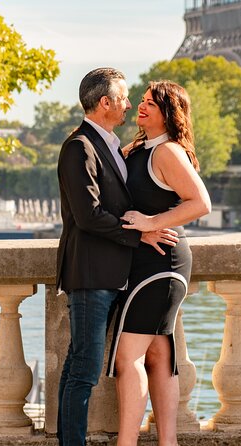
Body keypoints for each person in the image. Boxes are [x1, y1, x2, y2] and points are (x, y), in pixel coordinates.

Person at [55, 68, 179, 446]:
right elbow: (87, 215)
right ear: (105, 103)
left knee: (79, 366)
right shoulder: (80, 147)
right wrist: (141, 231)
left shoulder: (111, 145)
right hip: (92, 275)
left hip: (113, 275)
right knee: (85, 370)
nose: (129, 105)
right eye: (124, 98)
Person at [106, 80, 211, 446]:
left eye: (152, 103)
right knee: (157, 353)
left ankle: (127, 443)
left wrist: (152, 224)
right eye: (144, 101)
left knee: (127, 355)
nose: (142, 106)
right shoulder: (137, 148)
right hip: (146, 261)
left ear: (170, 113)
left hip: (161, 264)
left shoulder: (167, 152)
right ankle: (168, 442)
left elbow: (200, 203)